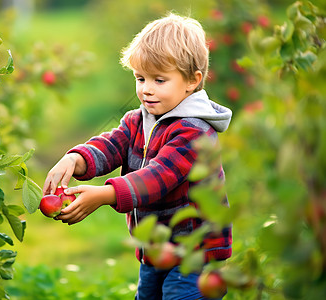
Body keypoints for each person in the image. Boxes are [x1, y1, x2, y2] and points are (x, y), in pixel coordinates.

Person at [42, 12, 232, 300]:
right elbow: (111, 145)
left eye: (159, 80)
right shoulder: (138, 120)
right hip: (155, 248)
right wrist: (75, 159)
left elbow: (158, 178)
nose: (146, 89)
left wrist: (103, 195)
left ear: (192, 82)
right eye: (140, 78)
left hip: (196, 251)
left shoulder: (195, 132)